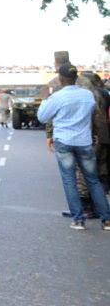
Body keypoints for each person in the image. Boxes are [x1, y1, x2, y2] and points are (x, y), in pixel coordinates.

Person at [36, 63, 110, 230]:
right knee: (93, 180)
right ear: (76, 78)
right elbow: (92, 113)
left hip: (64, 142)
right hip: (84, 142)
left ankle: (78, 219)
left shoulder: (57, 97)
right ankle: (107, 220)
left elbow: (42, 117)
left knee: (70, 181)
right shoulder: (87, 95)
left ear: (61, 79)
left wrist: (45, 100)